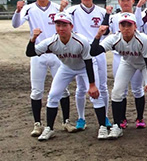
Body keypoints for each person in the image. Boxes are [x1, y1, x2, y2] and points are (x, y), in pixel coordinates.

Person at [25, 12, 105, 141]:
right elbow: (30, 53)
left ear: (71, 26)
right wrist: (33, 38)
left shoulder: (81, 40)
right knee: (53, 95)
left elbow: (88, 62)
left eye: (64, 25)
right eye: (58, 25)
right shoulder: (51, 41)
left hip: (85, 67)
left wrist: (92, 85)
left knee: (95, 95)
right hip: (66, 68)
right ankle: (49, 128)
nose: (61, 28)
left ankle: (102, 127)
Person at [12, 0, 75, 136]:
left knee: (63, 89)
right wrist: (17, 11)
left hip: (56, 53)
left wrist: (63, 10)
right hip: (38, 53)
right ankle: (37, 124)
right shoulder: (29, 8)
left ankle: (66, 121)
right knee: (36, 90)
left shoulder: (56, 7)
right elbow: (15, 24)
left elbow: (68, 24)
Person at [90, 13, 147, 140]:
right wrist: (98, 35)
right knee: (116, 92)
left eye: (129, 25)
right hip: (128, 62)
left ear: (135, 26)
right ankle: (117, 126)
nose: (126, 28)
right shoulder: (114, 38)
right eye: (123, 25)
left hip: (146, 63)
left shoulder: (143, 39)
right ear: (119, 27)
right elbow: (93, 51)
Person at [66, 0, 110, 131]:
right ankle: (81, 118)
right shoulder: (72, 11)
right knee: (81, 87)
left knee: (102, 86)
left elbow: (107, 32)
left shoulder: (102, 12)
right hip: (80, 53)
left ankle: (104, 116)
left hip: (98, 51)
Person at [106, 0, 147, 129]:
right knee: (120, 89)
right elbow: (108, 32)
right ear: (118, 2)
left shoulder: (139, 15)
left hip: (137, 55)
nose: (125, 2)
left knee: (137, 88)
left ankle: (140, 118)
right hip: (120, 56)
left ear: (132, 1)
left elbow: (143, 32)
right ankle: (121, 119)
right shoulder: (114, 17)